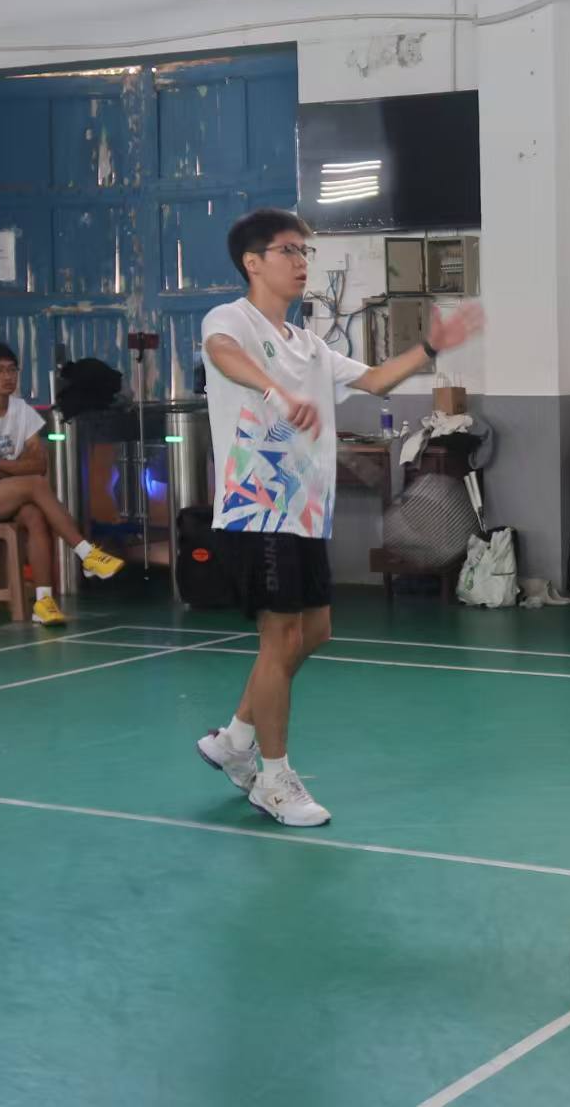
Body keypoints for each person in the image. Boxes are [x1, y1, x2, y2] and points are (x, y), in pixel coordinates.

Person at [194, 208, 482, 827]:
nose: (301, 262)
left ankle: (236, 737)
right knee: (280, 639)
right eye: (288, 251)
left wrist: (431, 346)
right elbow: (222, 354)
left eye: (305, 251)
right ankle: (273, 779)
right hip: (257, 509)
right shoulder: (231, 320)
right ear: (252, 262)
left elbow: (375, 380)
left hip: (306, 514)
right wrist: (274, 391)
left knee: (315, 632)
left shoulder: (311, 346)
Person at [0, 343, 126, 625]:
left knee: (35, 515)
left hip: (11, 492)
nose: (7, 376)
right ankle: (86, 553)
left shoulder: (22, 410)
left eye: (12, 370)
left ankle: (44, 603)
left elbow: (40, 464)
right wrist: (16, 471)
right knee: (34, 485)